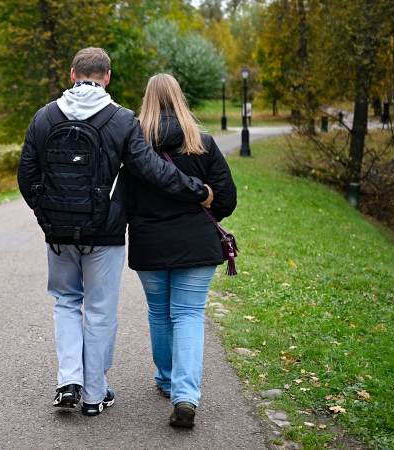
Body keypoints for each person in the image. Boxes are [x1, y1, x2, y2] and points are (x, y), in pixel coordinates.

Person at [17, 48, 214, 416]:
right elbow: (151, 169)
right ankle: (93, 395)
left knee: (65, 302)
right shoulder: (121, 119)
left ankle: (67, 382)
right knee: (101, 310)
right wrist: (197, 191)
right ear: (107, 77)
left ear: (72, 73)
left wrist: (48, 215)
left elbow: (26, 176)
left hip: (58, 235)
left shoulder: (44, 117)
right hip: (104, 235)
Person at [123, 73, 237, 428]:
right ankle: (185, 395)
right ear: (180, 99)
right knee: (188, 314)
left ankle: (168, 379)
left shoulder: (135, 147)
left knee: (159, 313)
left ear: (146, 102)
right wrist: (200, 214)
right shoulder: (202, 142)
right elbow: (227, 199)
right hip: (196, 244)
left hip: (150, 243)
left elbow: (125, 200)